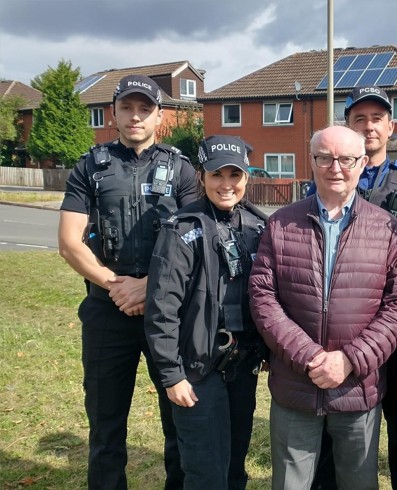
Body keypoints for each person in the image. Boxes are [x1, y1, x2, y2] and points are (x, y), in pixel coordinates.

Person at [248, 125, 397, 490]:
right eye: (325, 158)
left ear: (362, 163)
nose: (335, 167)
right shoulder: (280, 224)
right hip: (296, 384)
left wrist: (350, 360)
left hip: (358, 388)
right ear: (312, 162)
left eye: (346, 159)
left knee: (358, 483)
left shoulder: (386, 228)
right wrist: (309, 356)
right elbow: (263, 297)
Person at [58, 74, 198, 489]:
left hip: (167, 313)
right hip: (106, 310)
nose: (135, 116)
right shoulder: (90, 167)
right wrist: (115, 285)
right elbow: (69, 242)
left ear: (159, 115)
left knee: (179, 421)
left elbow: (195, 240)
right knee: (105, 423)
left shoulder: (182, 170)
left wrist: (149, 286)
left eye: (145, 109)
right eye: (127, 108)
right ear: (114, 112)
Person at [308, 85, 397, 490]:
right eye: (359, 119)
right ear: (347, 124)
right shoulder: (330, 175)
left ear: (390, 126)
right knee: (335, 434)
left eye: (376, 118)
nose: (368, 126)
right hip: (343, 335)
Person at [144, 135, 268, 489]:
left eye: (235, 175)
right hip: (196, 370)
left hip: (242, 367)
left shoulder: (259, 227)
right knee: (204, 472)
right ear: (202, 176)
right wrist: (172, 374)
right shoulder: (181, 229)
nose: (226, 184)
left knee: (234, 466)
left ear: (247, 178)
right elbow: (161, 308)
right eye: (217, 175)